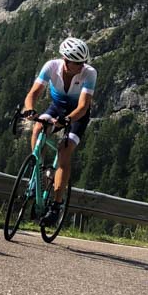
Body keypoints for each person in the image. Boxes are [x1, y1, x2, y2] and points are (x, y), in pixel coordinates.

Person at [21, 37, 95, 225]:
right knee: (38, 128)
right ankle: (37, 172)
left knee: (64, 150)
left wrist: (67, 120)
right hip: (56, 108)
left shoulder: (89, 73)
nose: (81, 66)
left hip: (77, 115)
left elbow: (84, 106)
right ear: (65, 60)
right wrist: (30, 109)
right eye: (77, 63)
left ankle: (56, 204)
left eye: (82, 62)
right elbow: (33, 93)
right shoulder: (51, 66)